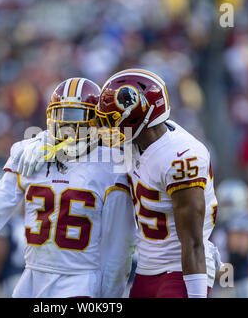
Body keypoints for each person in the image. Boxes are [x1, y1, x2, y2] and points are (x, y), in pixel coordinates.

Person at [0, 77, 136, 298]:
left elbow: (119, 248)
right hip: (30, 280)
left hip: (80, 282)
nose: (67, 127)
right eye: (61, 116)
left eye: (76, 117)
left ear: (96, 121)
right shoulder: (32, 154)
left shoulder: (112, 163)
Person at [95, 68, 221, 298]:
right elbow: (83, 138)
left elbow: (193, 244)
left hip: (182, 268)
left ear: (136, 117)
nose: (109, 129)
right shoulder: (136, 140)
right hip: (146, 269)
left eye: (113, 120)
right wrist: (38, 147)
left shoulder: (181, 157)